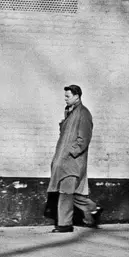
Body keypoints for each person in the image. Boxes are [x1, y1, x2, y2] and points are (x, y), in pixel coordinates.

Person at [47, 84, 103, 233]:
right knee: (73, 194)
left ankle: (65, 224)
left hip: (72, 162)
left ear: (77, 96)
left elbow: (83, 138)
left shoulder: (83, 114)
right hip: (64, 161)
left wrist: (71, 153)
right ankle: (92, 208)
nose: (65, 99)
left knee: (65, 193)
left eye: (68, 96)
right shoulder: (71, 113)